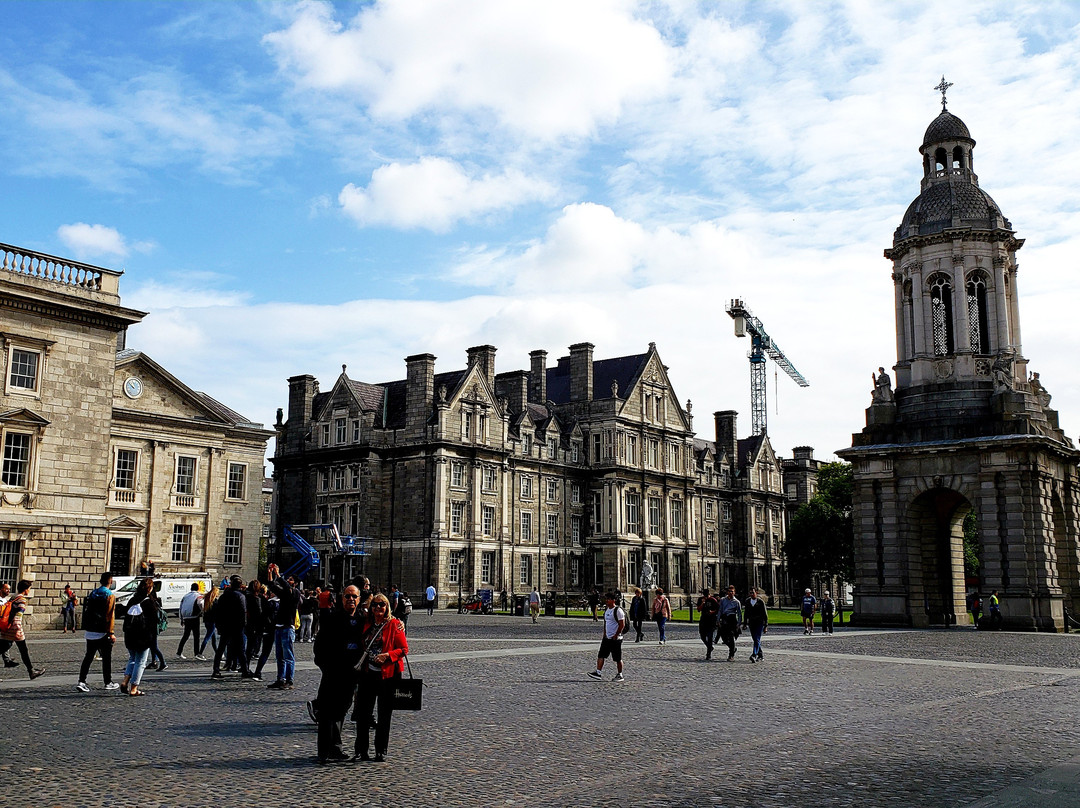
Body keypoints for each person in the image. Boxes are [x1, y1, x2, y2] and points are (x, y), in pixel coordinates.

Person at [312, 585, 366, 763]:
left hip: (352, 674)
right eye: (347, 596)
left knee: (341, 710)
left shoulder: (362, 619)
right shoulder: (332, 618)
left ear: (359, 599)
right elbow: (319, 646)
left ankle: (335, 748)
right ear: (342, 598)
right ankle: (324, 751)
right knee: (327, 711)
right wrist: (326, 667)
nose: (351, 599)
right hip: (333, 672)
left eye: (354, 596)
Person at [352, 593, 409, 762]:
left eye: (382, 605)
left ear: (387, 607)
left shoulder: (395, 624)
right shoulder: (366, 623)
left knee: (384, 715)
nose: (378, 608)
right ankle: (361, 750)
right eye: (375, 605)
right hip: (367, 674)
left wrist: (388, 655)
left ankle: (380, 750)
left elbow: (404, 649)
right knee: (363, 714)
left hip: (387, 675)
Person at [77, 572, 120, 692]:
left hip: (90, 630)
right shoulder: (109, 595)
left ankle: (81, 681)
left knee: (88, 657)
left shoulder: (93, 593)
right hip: (102, 631)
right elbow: (110, 615)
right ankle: (108, 682)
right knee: (106, 658)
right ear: (110, 581)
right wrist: (111, 632)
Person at [267, 562, 301, 690]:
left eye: (291, 579)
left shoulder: (295, 593)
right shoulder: (285, 593)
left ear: (295, 583)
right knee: (279, 656)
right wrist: (270, 574)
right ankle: (280, 679)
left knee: (288, 656)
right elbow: (272, 586)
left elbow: (286, 587)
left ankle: (289, 680)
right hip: (279, 626)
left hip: (288, 626)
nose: (288, 581)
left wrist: (278, 574)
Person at [0, 579, 44, 679]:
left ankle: (31, 671)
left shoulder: (13, 597)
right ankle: (31, 672)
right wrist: (17, 627)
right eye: (29, 588)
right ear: (26, 589)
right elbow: (18, 615)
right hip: (14, 630)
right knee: (23, 650)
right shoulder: (22, 600)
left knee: (10, 648)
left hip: (6, 627)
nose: (29, 590)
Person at [212, 575, 253, 679]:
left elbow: (218, 611)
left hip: (225, 625)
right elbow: (243, 612)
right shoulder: (240, 596)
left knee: (221, 648)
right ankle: (245, 670)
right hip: (237, 626)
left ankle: (216, 670)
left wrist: (219, 625)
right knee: (241, 649)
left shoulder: (224, 596)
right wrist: (244, 625)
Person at [120, 589, 158, 696]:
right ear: (150, 589)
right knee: (140, 662)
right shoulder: (149, 603)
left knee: (132, 659)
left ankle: (125, 681)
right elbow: (154, 623)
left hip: (129, 636)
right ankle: (134, 688)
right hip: (143, 637)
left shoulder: (132, 600)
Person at [587, 591, 626, 682]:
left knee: (617, 658)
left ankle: (620, 674)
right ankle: (598, 672)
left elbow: (622, 624)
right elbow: (606, 623)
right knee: (601, 655)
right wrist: (604, 634)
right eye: (606, 599)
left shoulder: (618, 611)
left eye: (609, 599)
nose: (607, 601)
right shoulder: (607, 610)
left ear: (613, 600)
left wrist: (616, 635)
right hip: (607, 638)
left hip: (616, 639)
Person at [175, 583, 203, 659]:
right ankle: (196, 653)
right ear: (198, 588)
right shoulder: (198, 596)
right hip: (194, 617)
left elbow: (180, 607)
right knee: (196, 636)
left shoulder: (185, 596)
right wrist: (202, 612)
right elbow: (200, 604)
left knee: (185, 636)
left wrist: (181, 619)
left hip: (186, 618)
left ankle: (179, 652)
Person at [717, 585, 742, 661]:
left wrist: (738, 624)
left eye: (732, 591)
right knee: (724, 638)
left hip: (732, 619)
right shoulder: (723, 600)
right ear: (727, 592)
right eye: (729, 591)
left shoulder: (737, 602)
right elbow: (720, 610)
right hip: (725, 618)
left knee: (731, 637)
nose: (730, 593)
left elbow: (739, 614)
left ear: (734, 592)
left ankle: (731, 655)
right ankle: (732, 648)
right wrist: (718, 620)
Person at [743, 587, 769, 662]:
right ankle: (760, 654)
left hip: (759, 623)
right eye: (750, 593)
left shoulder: (760, 602)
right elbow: (746, 613)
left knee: (757, 639)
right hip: (751, 623)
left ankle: (754, 654)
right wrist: (745, 623)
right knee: (755, 639)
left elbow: (765, 614)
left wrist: (766, 625)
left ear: (756, 593)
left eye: (753, 593)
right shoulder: (748, 601)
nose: (751, 594)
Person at [245, 580, 266, 665]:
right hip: (255, 624)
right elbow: (260, 612)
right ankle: (245, 665)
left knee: (247, 645)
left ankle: (242, 664)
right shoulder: (258, 598)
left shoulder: (245, 596)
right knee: (251, 645)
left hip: (247, 622)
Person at [196, 585, 219, 660]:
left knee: (213, 638)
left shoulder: (207, 600)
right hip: (212, 621)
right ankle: (200, 653)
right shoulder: (215, 602)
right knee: (208, 637)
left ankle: (217, 653)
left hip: (206, 620)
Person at [696, 588, 720, 660]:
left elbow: (718, 609)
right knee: (702, 635)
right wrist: (703, 603)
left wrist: (712, 612)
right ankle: (709, 647)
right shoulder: (701, 599)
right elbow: (698, 609)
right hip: (703, 619)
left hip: (711, 620)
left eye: (707, 595)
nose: (705, 596)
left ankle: (708, 653)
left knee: (710, 637)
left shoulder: (713, 600)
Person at [0, 583, 17, 669]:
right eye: (6, 589)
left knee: (5, 641)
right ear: (1, 589)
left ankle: (7, 660)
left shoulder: (6, 600)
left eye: (9, 589)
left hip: (3, 624)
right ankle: (7, 660)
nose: (8, 591)